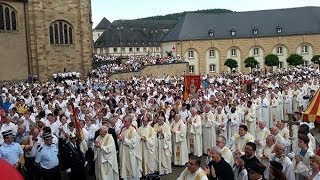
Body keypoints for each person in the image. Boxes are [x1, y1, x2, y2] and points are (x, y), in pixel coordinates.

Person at [118, 115, 142, 179]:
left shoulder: (133, 131)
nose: (124, 122)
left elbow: (133, 143)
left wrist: (124, 140)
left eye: (125, 121)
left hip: (130, 152)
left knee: (131, 166)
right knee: (124, 165)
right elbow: (120, 139)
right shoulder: (123, 129)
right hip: (123, 151)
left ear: (130, 122)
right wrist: (119, 139)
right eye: (123, 121)